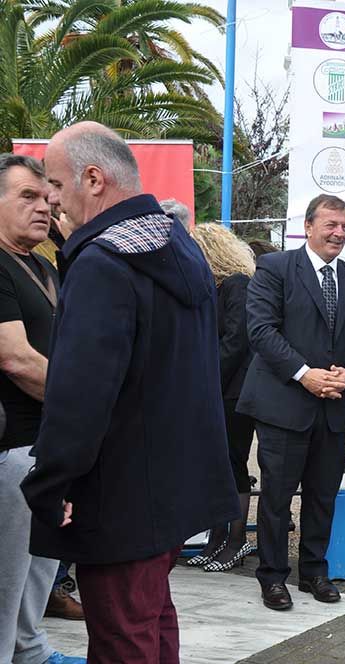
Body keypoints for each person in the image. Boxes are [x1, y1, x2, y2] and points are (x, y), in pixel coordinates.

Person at [19, 122, 238, 663]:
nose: (51, 199)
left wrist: (49, 482)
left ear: (94, 179)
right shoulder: (177, 245)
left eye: (55, 184)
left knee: (122, 636)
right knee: (152, 618)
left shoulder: (103, 264)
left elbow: (81, 395)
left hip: (118, 495)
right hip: (171, 487)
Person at [237, 193, 345, 611]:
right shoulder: (275, 268)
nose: (339, 233)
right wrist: (304, 374)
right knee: (277, 499)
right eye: (331, 224)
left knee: (322, 495)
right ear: (309, 226)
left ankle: (314, 572)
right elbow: (261, 330)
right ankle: (273, 577)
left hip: (333, 406)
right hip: (284, 405)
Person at [0, 154, 83, 664]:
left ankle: (30, 650)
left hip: (50, 443)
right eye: (27, 196)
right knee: (7, 573)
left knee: (41, 561)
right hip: (12, 446)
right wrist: (85, 404)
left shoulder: (45, 266)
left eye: (47, 197)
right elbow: (15, 358)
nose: (44, 206)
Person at [188, 224, 258, 572]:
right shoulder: (215, 287)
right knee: (217, 465)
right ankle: (217, 539)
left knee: (233, 463)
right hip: (220, 389)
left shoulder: (238, 284)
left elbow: (236, 341)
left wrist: (207, 380)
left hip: (235, 392)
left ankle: (236, 539)